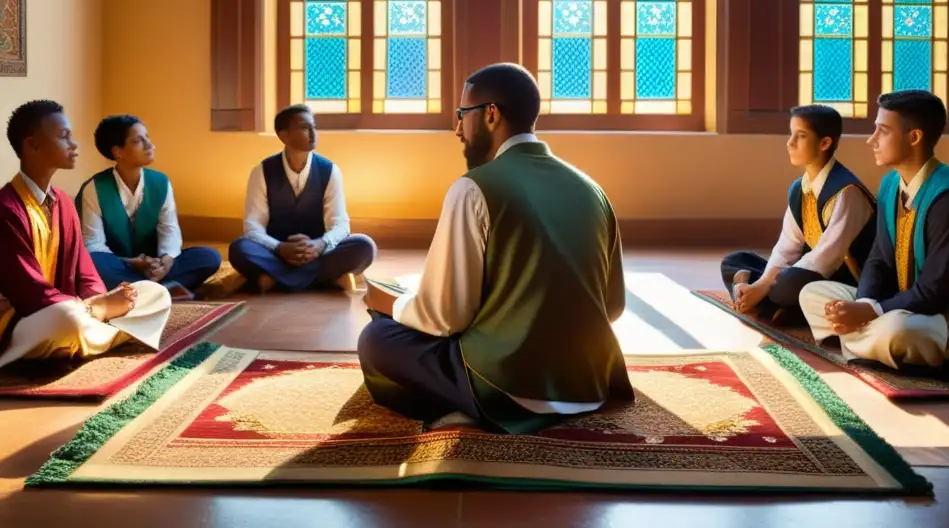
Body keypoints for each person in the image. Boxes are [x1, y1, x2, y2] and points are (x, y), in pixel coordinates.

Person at [357, 63, 633, 434]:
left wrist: (389, 304)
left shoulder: (474, 188)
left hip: (509, 388)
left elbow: (445, 317)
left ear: (491, 114)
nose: (457, 129)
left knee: (377, 338)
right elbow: (612, 306)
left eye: (461, 115)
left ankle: (465, 409)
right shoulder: (592, 190)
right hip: (591, 384)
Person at [800, 91, 949, 374]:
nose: (871, 140)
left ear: (915, 137)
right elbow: (878, 259)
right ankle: (870, 345)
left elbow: (934, 292)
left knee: (896, 330)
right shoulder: (890, 184)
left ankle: (860, 343)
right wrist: (864, 304)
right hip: (899, 303)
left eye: (882, 131)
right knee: (811, 293)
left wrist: (872, 312)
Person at [0, 101, 171, 369]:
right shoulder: (6, 208)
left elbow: (85, 270)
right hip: (21, 322)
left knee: (155, 294)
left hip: (73, 310)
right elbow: (29, 293)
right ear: (33, 145)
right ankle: (92, 335)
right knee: (67, 317)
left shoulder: (64, 203)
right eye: (64, 136)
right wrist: (96, 308)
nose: (75, 144)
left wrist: (101, 297)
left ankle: (77, 340)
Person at [721, 105, 876, 323]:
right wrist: (762, 284)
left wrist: (765, 285)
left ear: (825, 143)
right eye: (791, 134)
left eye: (800, 136)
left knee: (786, 285)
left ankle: (769, 304)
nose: (790, 143)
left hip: (843, 281)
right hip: (806, 273)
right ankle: (760, 299)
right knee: (734, 261)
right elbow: (788, 246)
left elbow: (825, 260)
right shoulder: (799, 188)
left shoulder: (847, 192)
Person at [228, 105, 376, 293]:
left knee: (364, 246)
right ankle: (323, 279)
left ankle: (276, 280)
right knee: (239, 248)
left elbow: (340, 225)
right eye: (305, 128)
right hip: (278, 253)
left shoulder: (330, 171)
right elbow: (253, 227)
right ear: (284, 136)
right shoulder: (262, 172)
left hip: (317, 252)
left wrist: (319, 245)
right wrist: (280, 247)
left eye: (314, 127)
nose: (313, 134)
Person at [76, 115, 222, 300]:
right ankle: (161, 290)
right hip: (119, 264)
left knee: (209, 257)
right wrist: (133, 262)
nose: (149, 145)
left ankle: (140, 292)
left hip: (155, 267)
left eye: (147, 137)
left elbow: (169, 231)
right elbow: (93, 243)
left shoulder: (160, 182)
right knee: (93, 262)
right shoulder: (95, 188)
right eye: (138, 141)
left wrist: (166, 262)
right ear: (118, 151)